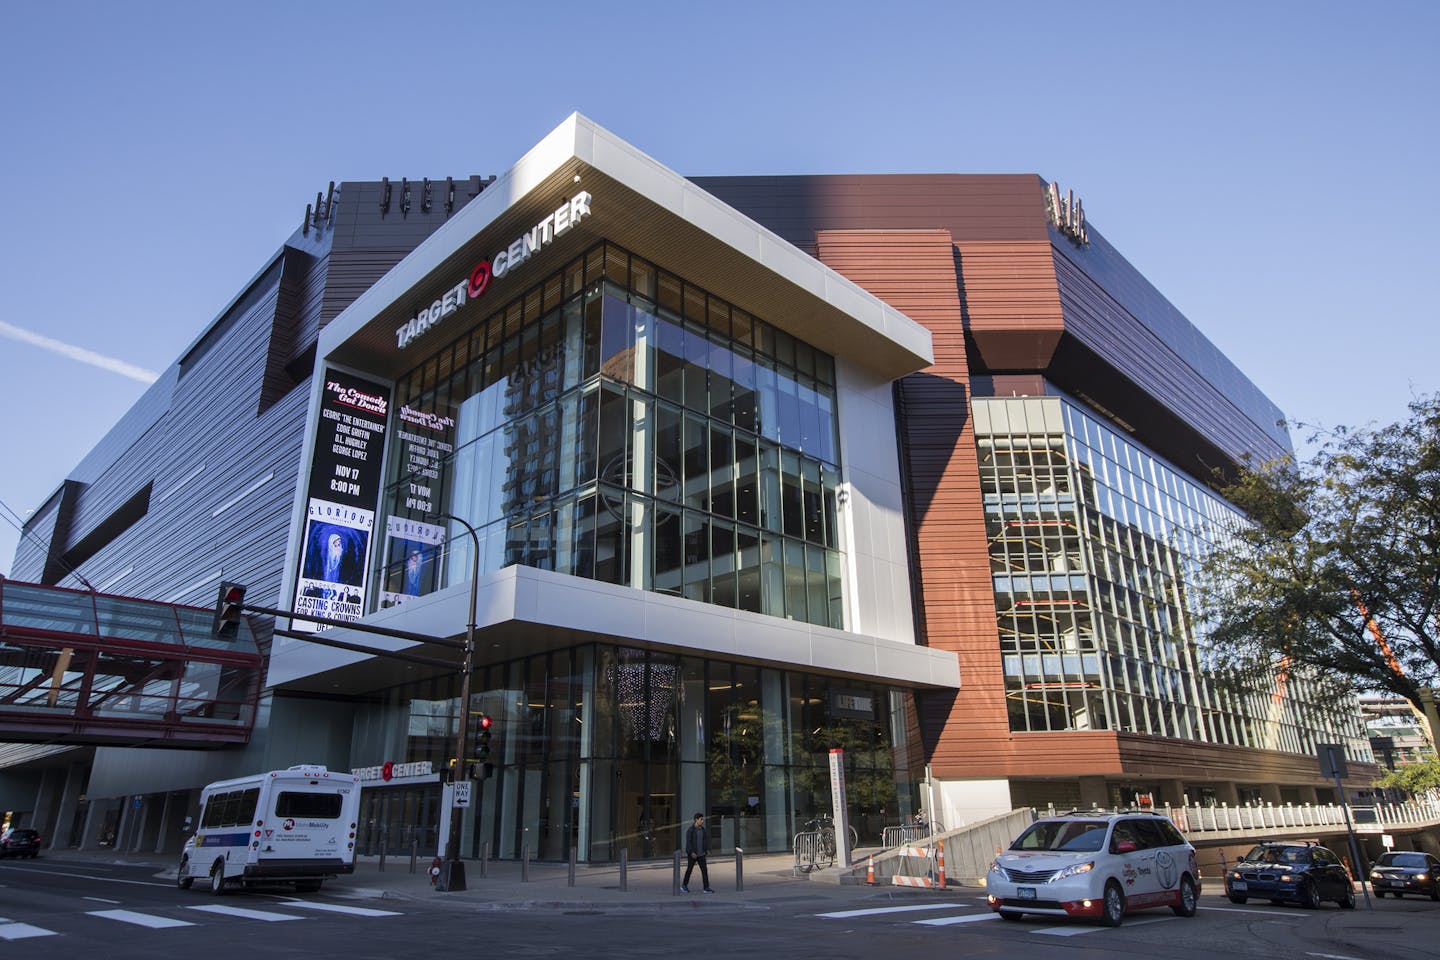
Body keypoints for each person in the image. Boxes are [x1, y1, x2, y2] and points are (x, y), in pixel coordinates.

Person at [681, 812, 714, 894]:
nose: (702, 821)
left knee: (704, 871)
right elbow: (688, 842)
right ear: (696, 820)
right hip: (693, 854)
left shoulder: (702, 830)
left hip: (701, 854)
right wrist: (691, 852)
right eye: (701, 819)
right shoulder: (690, 830)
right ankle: (684, 886)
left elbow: (705, 841)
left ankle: (706, 888)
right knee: (689, 870)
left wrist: (706, 850)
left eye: (702, 819)